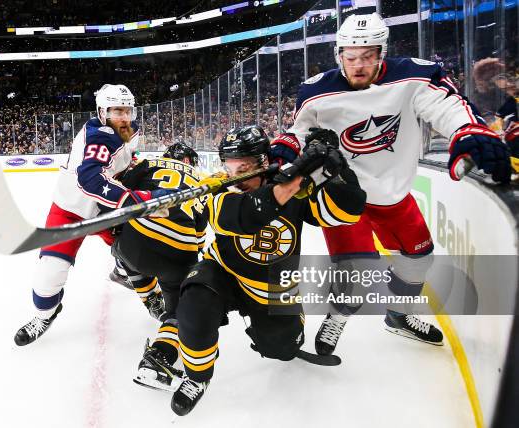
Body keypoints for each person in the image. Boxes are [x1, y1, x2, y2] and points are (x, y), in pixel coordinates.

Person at [279, 12, 512, 355]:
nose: (358, 65)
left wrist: (467, 129)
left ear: (382, 53)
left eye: (368, 56)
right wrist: (279, 158)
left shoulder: (412, 76)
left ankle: (398, 315)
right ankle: (339, 314)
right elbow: (295, 136)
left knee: (419, 260)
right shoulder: (317, 92)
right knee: (356, 278)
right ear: (338, 55)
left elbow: (446, 105)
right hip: (345, 196)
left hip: (394, 195)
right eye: (351, 57)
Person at [170, 125, 366, 415]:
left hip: (273, 289)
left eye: (244, 167)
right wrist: (292, 183)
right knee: (193, 305)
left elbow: (349, 212)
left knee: (282, 350)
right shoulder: (219, 184)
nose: (235, 175)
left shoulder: (295, 185)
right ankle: (197, 378)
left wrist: (336, 168)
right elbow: (243, 217)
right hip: (223, 273)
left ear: (263, 162)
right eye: (230, 166)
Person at [14, 84, 171, 346]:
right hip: (70, 212)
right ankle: (45, 315)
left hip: (104, 211)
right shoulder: (100, 135)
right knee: (48, 279)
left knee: (136, 255)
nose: (123, 116)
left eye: (127, 110)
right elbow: (90, 178)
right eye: (116, 110)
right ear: (102, 111)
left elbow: (122, 161)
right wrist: (136, 200)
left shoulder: (128, 131)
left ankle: (137, 282)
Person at [111, 142, 205, 391]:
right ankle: (157, 359)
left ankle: (147, 295)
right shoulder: (202, 179)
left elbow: (119, 191)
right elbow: (200, 233)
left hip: (132, 244)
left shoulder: (149, 164)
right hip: (176, 253)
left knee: (125, 243)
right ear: (189, 160)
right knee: (177, 312)